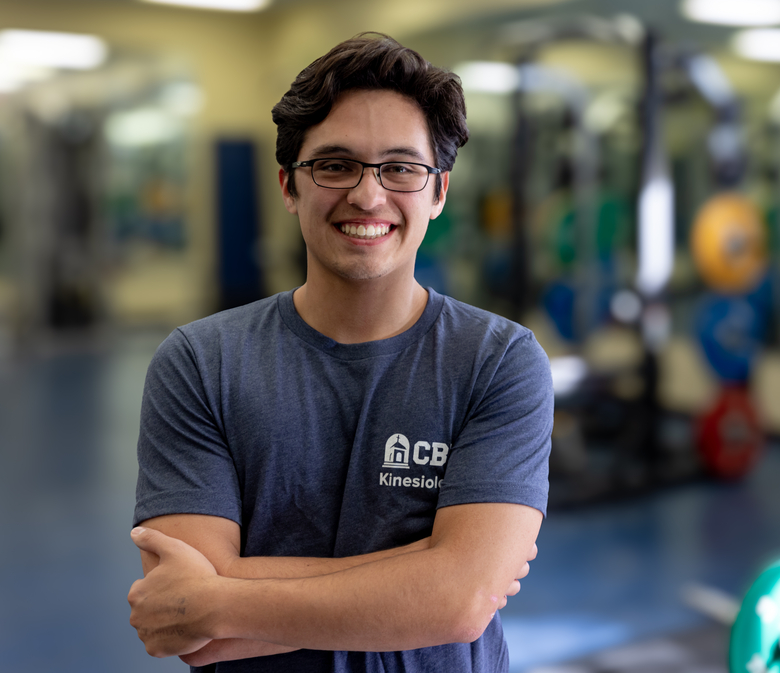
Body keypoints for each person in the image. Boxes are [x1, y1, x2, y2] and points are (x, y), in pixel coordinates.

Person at [127, 33, 553, 672]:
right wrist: (430, 571)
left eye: (401, 168)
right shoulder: (199, 363)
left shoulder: (498, 361)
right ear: (289, 186)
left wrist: (224, 596)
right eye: (334, 164)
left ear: (438, 193)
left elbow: (462, 602)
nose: (367, 196)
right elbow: (187, 626)